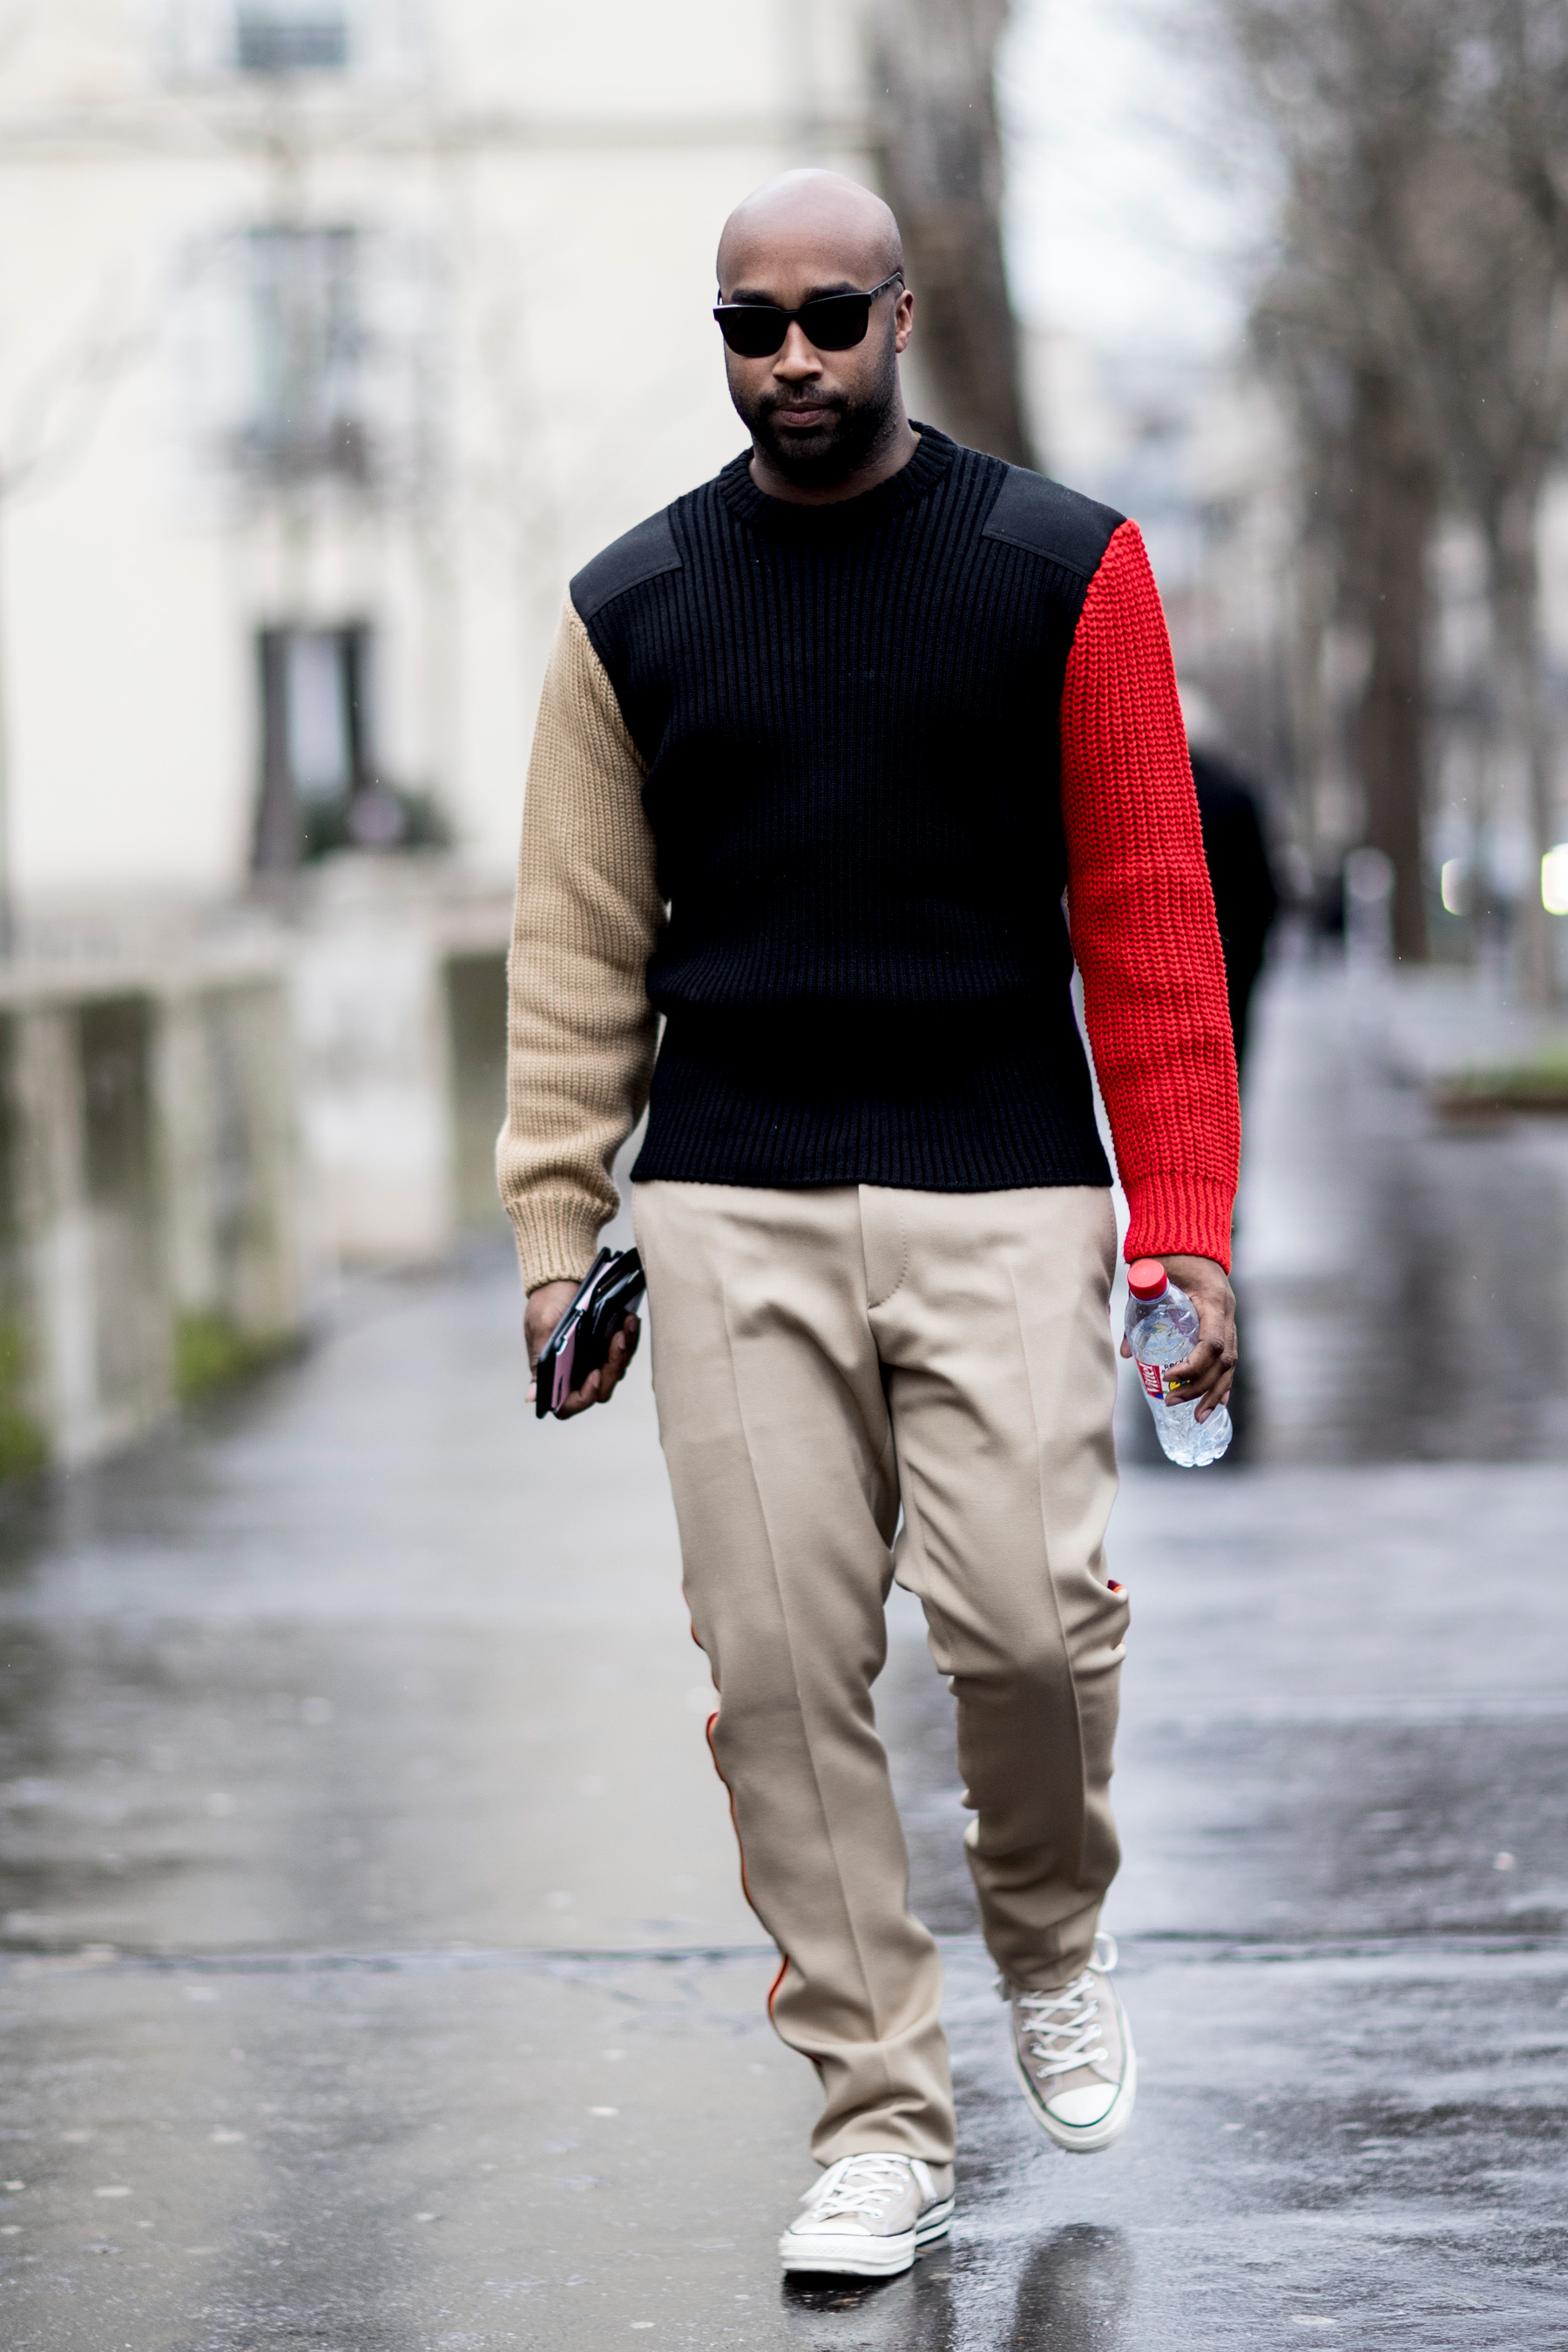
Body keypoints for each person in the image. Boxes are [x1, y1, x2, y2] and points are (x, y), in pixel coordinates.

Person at [498, 169, 1240, 2280]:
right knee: (777, 1671)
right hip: (728, 1197)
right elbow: (575, 950)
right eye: (755, 327)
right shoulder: (632, 606)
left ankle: (1052, 1934)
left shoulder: (1063, 568)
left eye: (834, 316)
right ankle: (879, 2116)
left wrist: (1185, 1229)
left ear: (903, 315)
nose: (796, 358)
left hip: (1004, 1181)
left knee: (1029, 1622)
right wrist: (558, 1234)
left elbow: (1152, 921)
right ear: (722, 338)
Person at [1187, 740, 1279, 1078]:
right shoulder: (1235, 793)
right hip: (1236, 948)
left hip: (1178, 949)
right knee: (1231, 1051)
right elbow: (1263, 885)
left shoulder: (1153, 800)